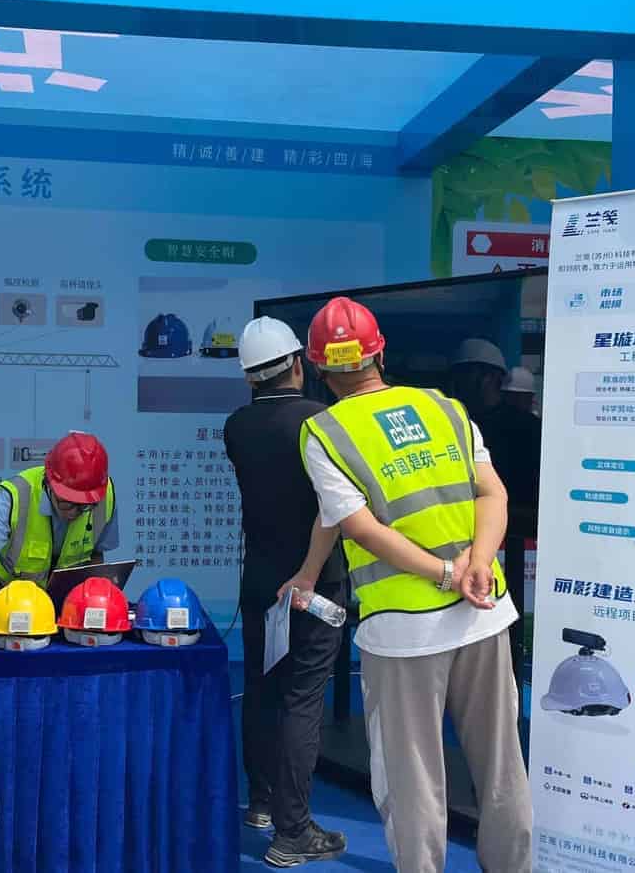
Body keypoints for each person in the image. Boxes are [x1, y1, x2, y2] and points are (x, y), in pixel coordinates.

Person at [299, 297, 531, 873]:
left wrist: (445, 574)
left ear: (320, 368)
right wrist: (478, 563)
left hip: (404, 630)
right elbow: (493, 493)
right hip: (484, 612)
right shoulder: (443, 408)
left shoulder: (324, 432)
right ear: (379, 354)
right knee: (502, 766)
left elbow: (360, 528)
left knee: (412, 776)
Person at [223, 317, 348, 867]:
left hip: (259, 580)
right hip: (315, 581)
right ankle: (293, 832)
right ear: (299, 364)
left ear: (249, 376)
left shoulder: (236, 426)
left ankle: (260, 803)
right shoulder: (322, 421)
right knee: (302, 699)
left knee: (261, 688)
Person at [449, 339, 541, 677]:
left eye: (469, 374)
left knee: (505, 625)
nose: (462, 383)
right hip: (462, 542)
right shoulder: (451, 423)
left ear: (491, 377)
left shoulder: (526, 427)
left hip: (517, 542)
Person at [0, 431, 118, 624]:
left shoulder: (103, 496)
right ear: (49, 484)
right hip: (8, 598)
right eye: (67, 503)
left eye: (84, 506)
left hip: (68, 602)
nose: (75, 512)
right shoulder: (17, 495)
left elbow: (96, 555)